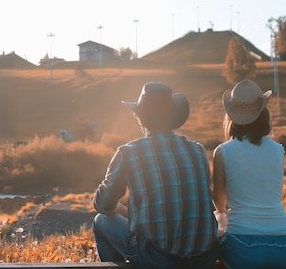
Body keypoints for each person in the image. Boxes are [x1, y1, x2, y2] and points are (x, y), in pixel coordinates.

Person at [92, 82, 219, 269]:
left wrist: (117, 207)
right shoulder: (198, 150)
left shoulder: (129, 152)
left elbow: (103, 206)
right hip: (203, 257)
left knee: (101, 222)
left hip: (159, 259)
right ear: (172, 117)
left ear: (139, 118)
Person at [213, 79, 286, 269]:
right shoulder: (278, 150)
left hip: (243, 248)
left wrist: (223, 214)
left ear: (231, 117)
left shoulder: (223, 151)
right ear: (263, 113)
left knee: (213, 239)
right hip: (283, 246)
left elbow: (218, 198)